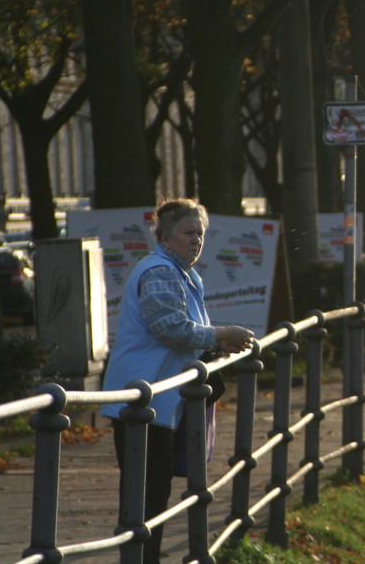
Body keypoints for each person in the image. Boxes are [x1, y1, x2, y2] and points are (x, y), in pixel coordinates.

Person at [101, 199, 254, 564]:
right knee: (147, 490)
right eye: (189, 233)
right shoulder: (161, 271)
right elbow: (170, 328)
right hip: (143, 397)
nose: (197, 241)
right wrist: (220, 332)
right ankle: (140, 557)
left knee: (152, 487)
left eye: (201, 234)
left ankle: (141, 556)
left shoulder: (182, 272)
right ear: (166, 236)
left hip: (155, 397)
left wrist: (216, 342)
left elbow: (186, 334)